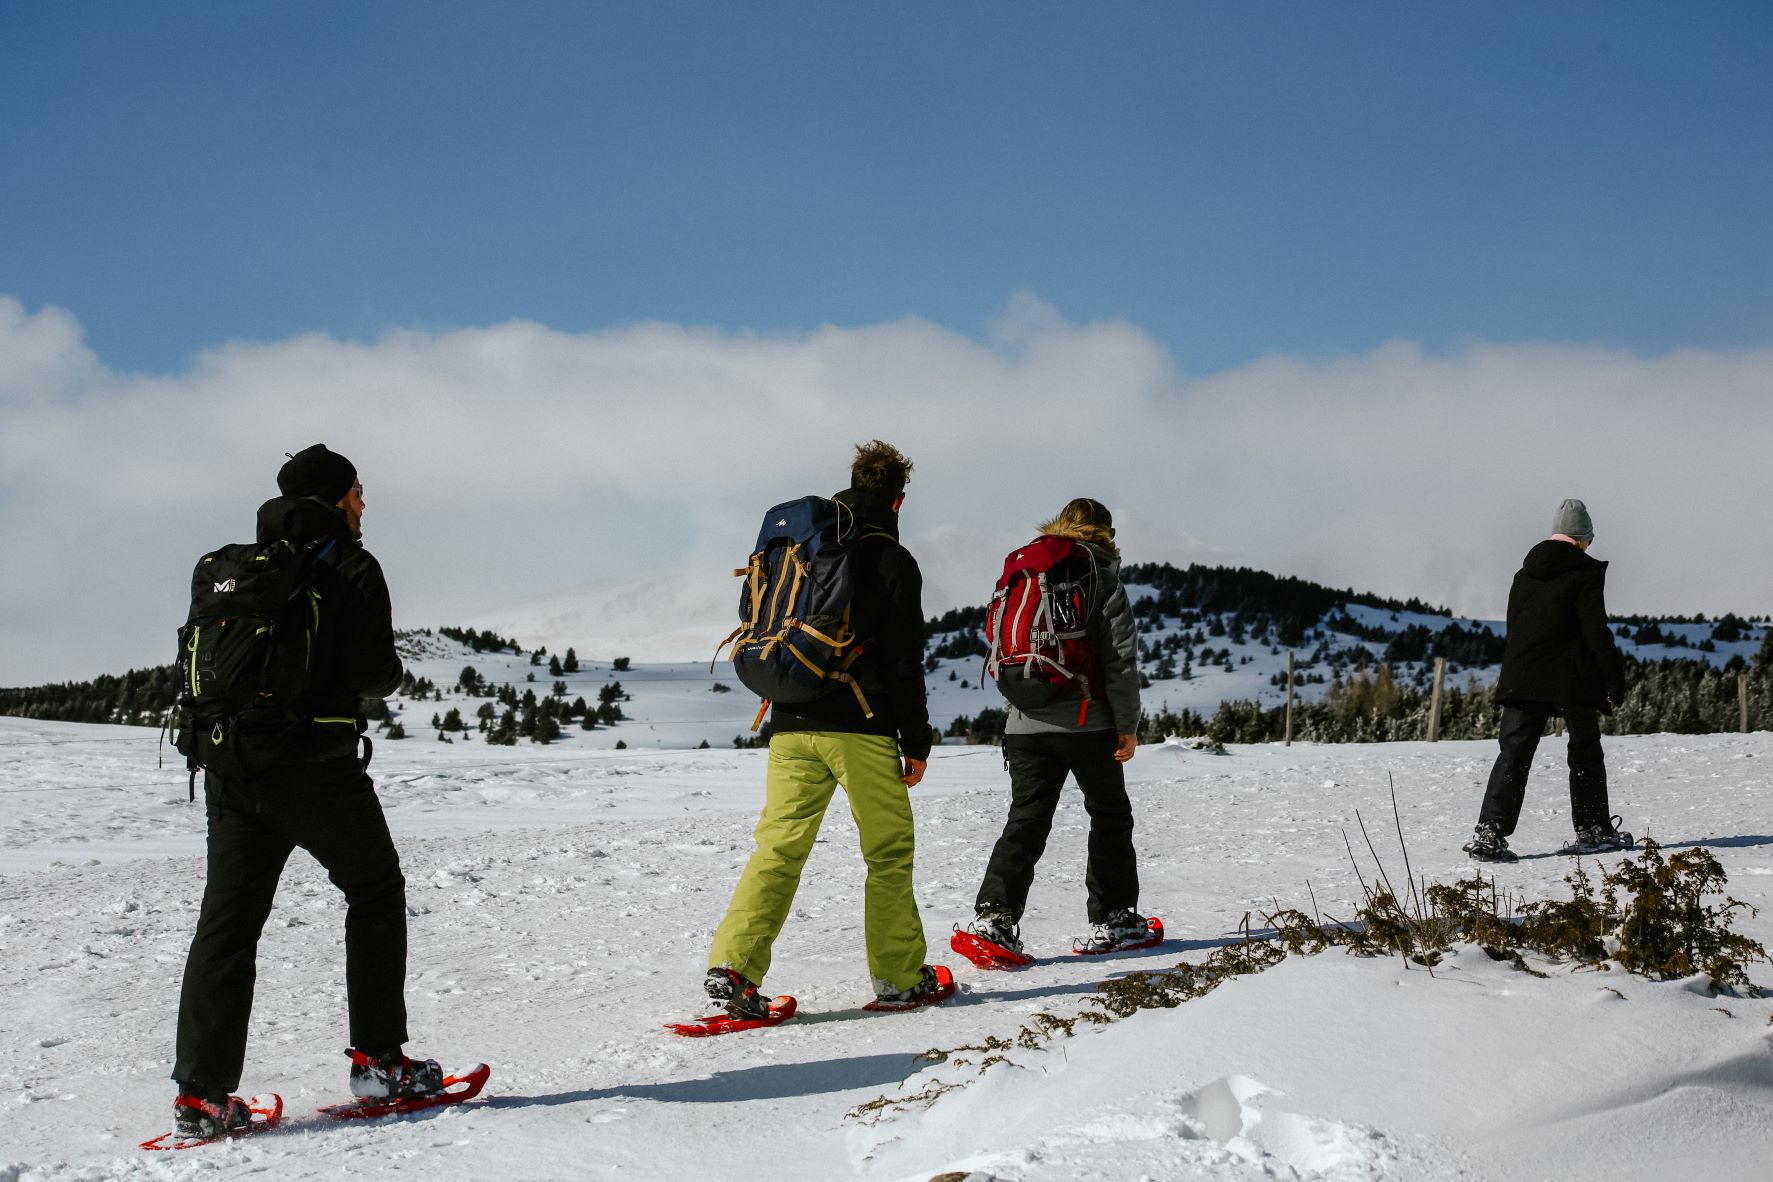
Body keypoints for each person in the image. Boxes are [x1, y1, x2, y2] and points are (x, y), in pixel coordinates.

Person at [170, 444, 443, 1137]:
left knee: (227, 926)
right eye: (357, 492)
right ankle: (380, 1061)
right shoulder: (347, 563)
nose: (362, 504)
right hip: (314, 766)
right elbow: (377, 673)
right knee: (375, 890)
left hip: (231, 767)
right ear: (336, 496)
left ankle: (201, 1096)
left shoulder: (233, 568)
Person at [704, 440, 947, 1014]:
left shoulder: (807, 545)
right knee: (887, 853)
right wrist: (916, 741)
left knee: (778, 849)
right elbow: (903, 662)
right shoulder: (891, 558)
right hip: (859, 728)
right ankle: (899, 977)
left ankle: (733, 966)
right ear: (899, 498)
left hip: (789, 721)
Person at [967, 497, 1149, 955]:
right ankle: (1115, 920)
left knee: (1026, 820)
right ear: (1106, 533)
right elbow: (1119, 658)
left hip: (1024, 724)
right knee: (1109, 816)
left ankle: (995, 920)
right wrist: (1127, 723)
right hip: (1088, 723)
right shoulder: (1100, 575)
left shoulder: (1026, 569)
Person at [1464, 498, 1631, 863]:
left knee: (1514, 753)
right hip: (1571, 676)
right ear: (1584, 537)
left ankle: (1489, 832)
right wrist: (1614, 680)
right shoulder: (1585, 572)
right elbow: (1595, 631)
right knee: (1585, 750)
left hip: (1524, 674)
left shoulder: (1523, 576)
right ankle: (1593, 830)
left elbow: (1517, 628)